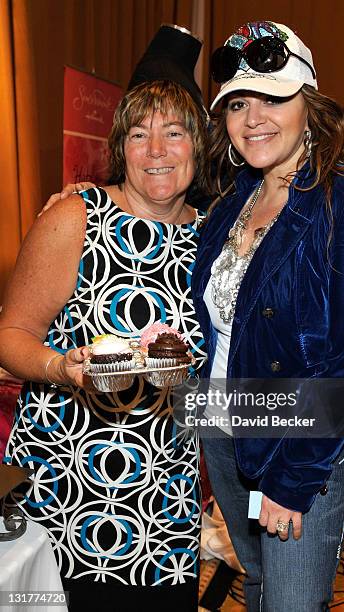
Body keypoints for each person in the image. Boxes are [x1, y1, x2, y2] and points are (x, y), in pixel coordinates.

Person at [191, 21, 344, 611]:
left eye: (272, 97)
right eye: (237, 103)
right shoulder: (233, 200)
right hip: (226, 428)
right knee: (256, 577)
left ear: (309, 103)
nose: (253, 116)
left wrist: (293, 479)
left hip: (309, 442)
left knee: (289, 602)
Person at [0, 77, 209, 610]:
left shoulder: (215, 240)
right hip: (63, 495)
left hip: (166, 505)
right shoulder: (76, 218)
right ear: (120, 149)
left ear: (199, 146)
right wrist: (60, 367)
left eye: (174, 133)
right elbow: (11, 335)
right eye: (139, 134)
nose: (156, 150)